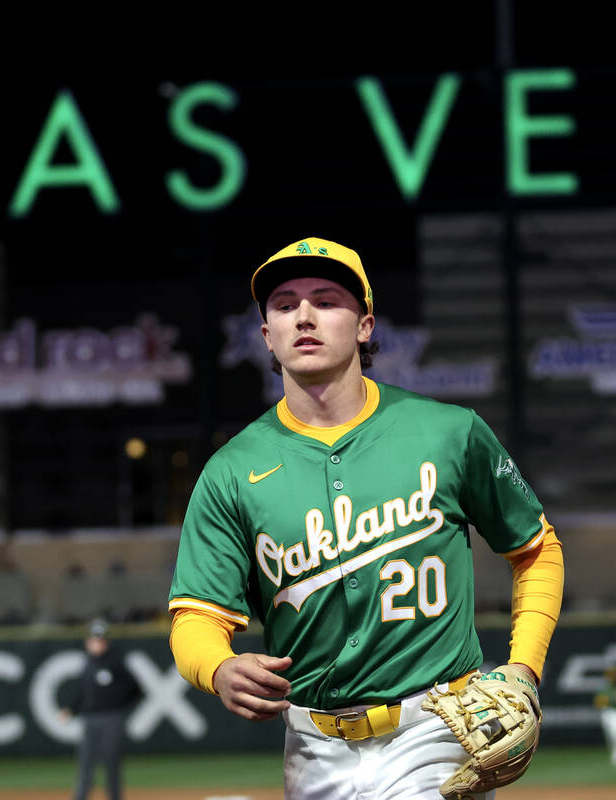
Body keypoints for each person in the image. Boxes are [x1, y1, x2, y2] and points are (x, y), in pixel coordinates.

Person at [167, 236, 565, 799]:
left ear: (364, 325)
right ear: (267, 337)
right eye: (283, 305)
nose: (303, 315)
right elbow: (195, 618)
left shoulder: (449, 432)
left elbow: (536, 550)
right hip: (310, 750)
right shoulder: (232, 471)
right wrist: (217, 667)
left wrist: (523, 667)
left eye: (326, 300)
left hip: (438, 729)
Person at [58, 619, 142, 800]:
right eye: (93, 640)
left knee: (111, 764)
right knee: (85, 764)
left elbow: (136, 689)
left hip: (111, 718)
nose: (96, 644)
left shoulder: (116, 662)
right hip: (89, 719)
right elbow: (82, 691)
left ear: (106, 642)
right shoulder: (88, 663)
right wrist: (71, 709)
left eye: (100, 640)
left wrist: (119, 706)